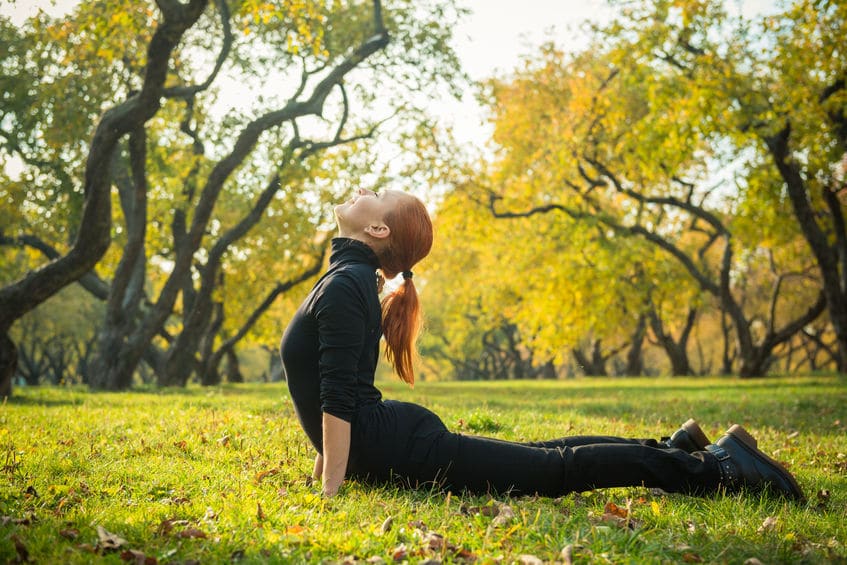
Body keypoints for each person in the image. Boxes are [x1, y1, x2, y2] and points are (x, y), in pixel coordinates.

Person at [280, 188, 804, 501]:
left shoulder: (349, 283)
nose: (361, 188)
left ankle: (716, 468)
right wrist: (327, 472)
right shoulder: (350, 280)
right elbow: (336, 390)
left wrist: (331, 489)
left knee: (555, 470)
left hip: (405, 447)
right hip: (395, 442)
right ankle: (670, 450)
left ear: (374, 228)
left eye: (374, 194)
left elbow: (336, 400)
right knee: (542, 458)